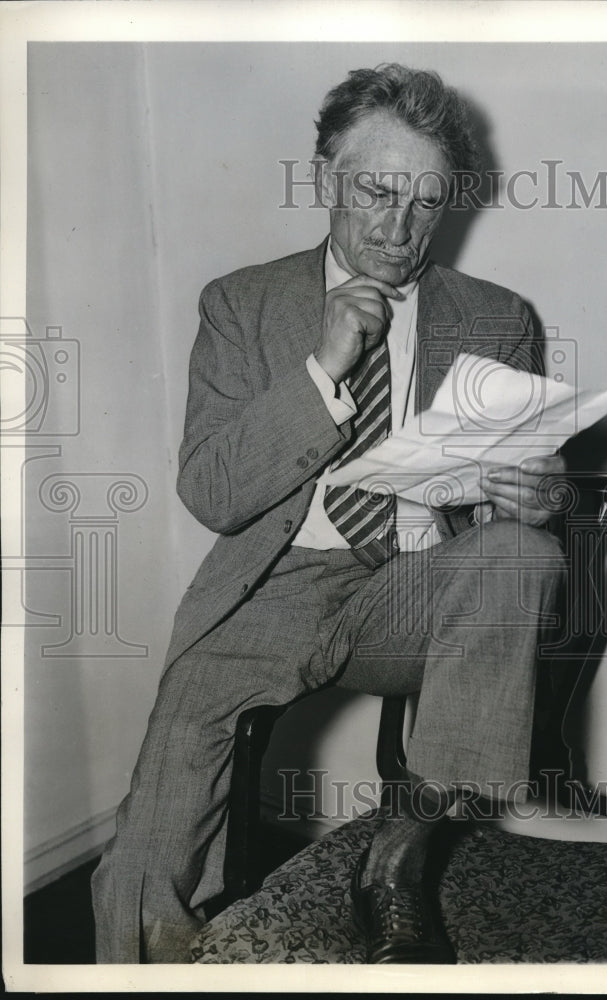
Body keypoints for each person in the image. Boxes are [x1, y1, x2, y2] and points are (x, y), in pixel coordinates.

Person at [91, 63, 566, 964]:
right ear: (324, 178)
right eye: (377, 192)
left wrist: (538, 496)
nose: (399, 228)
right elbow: (211, 492)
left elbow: (542, 487)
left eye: (426, 202)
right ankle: (137, 959)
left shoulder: (497, 317)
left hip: (414, 589)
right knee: (152, 841)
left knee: (520, 555)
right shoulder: (241, 304)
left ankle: (398, 855)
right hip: (274, 585)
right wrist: (321, 372)